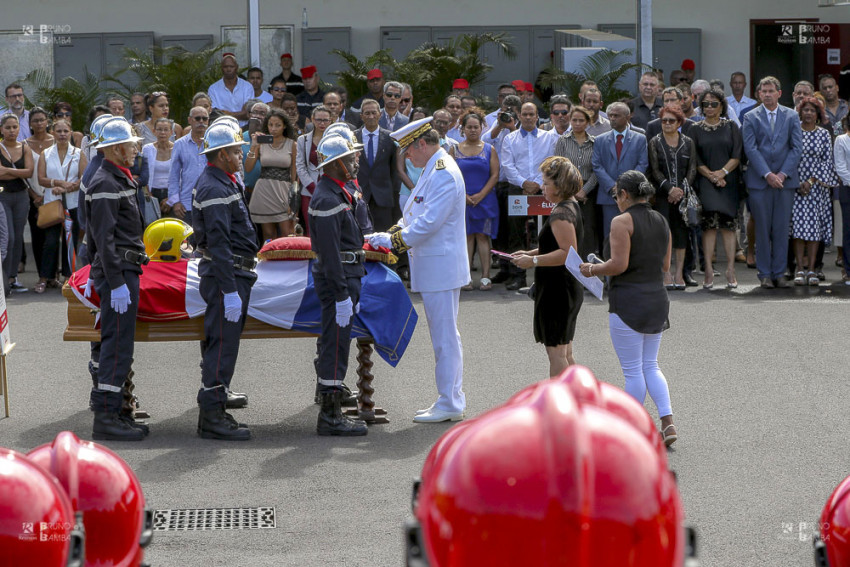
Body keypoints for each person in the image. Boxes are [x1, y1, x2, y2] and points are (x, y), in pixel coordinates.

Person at [369, 117, 469, 423]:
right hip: (436, 263)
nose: (407, 158)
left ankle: (449, 401)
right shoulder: (433, 168)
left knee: (444, 337)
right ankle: (451, 397)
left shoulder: (443, 173)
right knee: (446, 334)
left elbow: (428, 223)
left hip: (440, 264)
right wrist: (391, 231)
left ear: (421, 144)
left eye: (408, 151)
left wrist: (393, 240)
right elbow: (416, 212)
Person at [579, 170, 677, 446]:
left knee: (633, 370)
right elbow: (666, 266)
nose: (616, 200)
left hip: (629, 300)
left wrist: (593, 268)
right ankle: (667, 422)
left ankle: (629, 430)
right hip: (657, 298)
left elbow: (618, 265)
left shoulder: (622, 221)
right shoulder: (661, 220)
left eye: (616, 195)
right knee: (651, 365)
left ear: (623, 194)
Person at [192, 123, 258, 440]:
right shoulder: (215, 187)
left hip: (231, 271)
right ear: (221, 154)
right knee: (222, 344)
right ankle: (212, 416)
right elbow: (218, 242)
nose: (239, 154)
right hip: (226, 275)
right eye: (234, 151)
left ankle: (219, 395)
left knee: (223, 342)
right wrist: (230, 290)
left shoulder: (223, 180)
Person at [85, 117, 148, 441]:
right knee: (116, 345)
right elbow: (103, 240)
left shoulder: (117, 178)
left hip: (124, 269)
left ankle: (117, 412)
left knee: (121, 345)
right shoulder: (106, 183)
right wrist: (117, 282)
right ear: (114, 148)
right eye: (131, 144)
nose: (136, 149)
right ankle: (106, 416)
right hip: (118, 272)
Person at [308, 135, 368, 436]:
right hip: (338, 280)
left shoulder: (338, 192)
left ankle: (332, 402)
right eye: (350, 157)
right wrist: (343, 294)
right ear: (335, 163)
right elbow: (330, 254)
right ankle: (330, 417)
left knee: (338, 340)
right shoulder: (328, 198)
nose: (355, 161)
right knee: (335, 343)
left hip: (345, 275)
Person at [511, 156, 583, 375]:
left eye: (546, 184)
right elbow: (555, 245)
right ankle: (579, 400)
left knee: (557, 354)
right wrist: (529, 252)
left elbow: (566, 253)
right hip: (564, 287)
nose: (542, 187)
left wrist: (532, 261)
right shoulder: (570, 205)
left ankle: (560, 405)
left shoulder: (560, 214)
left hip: (557, 289)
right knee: (566, 353)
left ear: (559, 187)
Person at [742, 76, 803, 288]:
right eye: (763, 91)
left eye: (771, 91)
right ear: (758, 94)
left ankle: (779, 272)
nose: (767, 94)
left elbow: (797, 148)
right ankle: (765, 273)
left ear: (779, 93)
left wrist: (783, 174)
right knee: (762, 228)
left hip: (785, 181)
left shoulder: (791, 115)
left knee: (781, 227)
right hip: (760, 181)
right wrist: (767, 174)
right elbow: (751, 148)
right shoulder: (750, 117)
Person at [690, 88, 743, 289]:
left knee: (729, 227)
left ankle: (730, 270)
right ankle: (709, 272)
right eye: (705, 104)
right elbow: (695, 158)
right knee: (709, 227)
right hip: (705, 182)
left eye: (714, 103)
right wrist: (711, 176)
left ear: (722, 106)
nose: (709, 107)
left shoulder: (731, 127)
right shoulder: (695, 128)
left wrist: (722, 173)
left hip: (728, 182)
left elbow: (737, 155)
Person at [449, 109, 499, 291]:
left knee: (483, 237)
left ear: (481, 128)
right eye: (469, 127)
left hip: (485, 200)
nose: (472, 130)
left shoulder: (489, 149)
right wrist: (464, 197)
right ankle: (466, 277)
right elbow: (450, 176)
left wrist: (480, 195)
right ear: (462, 129)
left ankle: (486, 276)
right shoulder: (454, 149)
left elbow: (494, 176)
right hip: (462, 200)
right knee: (466, 238)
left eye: (476, 127)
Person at [647, 105, 697, 289]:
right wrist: (669, 189)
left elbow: (692, 168)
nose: (667, 124)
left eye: (671, 121)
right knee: (664, 234)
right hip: (662, 196)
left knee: (682, 234)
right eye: (664, 120)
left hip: (683, 196)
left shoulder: (688, 142)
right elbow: (654, 170)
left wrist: (681, 190)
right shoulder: (655, 142)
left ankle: (679, 274)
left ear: (679, 122)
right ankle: (666, 273)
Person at [36, 118, 86, 293]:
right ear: (53, 133)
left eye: (66, 131)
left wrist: (70, 186)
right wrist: (56, 183)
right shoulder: (46, 154)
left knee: (70, 241)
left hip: (73, 203)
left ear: (71, 132)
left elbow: (84, 178)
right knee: (50, 242)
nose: (63, 134)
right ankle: (45, 277)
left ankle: (68, 276)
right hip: (53, 203)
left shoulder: (79, 153)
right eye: (59, 131)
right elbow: (41, 178)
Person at [792, 96, 837, 286]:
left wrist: (811, 181)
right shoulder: (793, 132)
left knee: (814, 229)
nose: (808, 113)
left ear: (818, 114)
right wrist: (798, 181)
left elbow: (828, 161)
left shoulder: (823, 134)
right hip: (796, 186)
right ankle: (799, 269)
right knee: (797, 229)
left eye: (812, 110)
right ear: (800, 112)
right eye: (805, 110)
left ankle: (811, 269)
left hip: (817, 188)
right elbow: (789, 157)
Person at [591, 101, 649, 244]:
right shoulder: (600, 140)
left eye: (616, 116)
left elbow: (643, 164)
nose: (612, 119)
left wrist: (628, 186)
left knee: (634, 233)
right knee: (610, 233)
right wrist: (613, 187)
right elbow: (597, 165)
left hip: (633, 196)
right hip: (609, 195)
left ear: (627, 117)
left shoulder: (640, 138)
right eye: (610, 115)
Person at [245, 108, 298, 240]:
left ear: (284, 126)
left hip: (283, 192)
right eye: (270, 125)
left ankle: (289, 261)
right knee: (268, 236)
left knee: (288, 234)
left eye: (278, 125)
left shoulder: (292, 144)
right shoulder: (261, 143)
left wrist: (293, 200)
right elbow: (248, 168)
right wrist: (254, 146)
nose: (273, 129)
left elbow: (295, 176)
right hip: (264, 191)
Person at [555, 105, 598, 259]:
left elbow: (597, 170)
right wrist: (571, 191)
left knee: (588, 229)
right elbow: (558, 167)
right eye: (574, 120)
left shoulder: (595, 143)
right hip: (567, 189)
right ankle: (569, 265)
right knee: (568, 227)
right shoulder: (562, 140)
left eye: (581, 120)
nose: (577, 123)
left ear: (588, 122)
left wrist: (584, 190)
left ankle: (587, 267)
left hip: (589, 191)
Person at [0, 113, 34, 293]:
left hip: (21, 196)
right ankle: (3, 278)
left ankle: (13, 278)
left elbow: (29, 172)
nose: (12, 131)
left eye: (15, 127)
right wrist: (18, 171)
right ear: (1, 129)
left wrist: (6, 170)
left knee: (18, 237)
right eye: (8, 127)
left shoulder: (25, 148)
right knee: (8, 237)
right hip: (3, 196)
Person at [355, 99, 399, 232]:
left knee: (383, 237)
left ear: (380, 114)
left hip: (383, 197)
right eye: (367, 113)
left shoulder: (390, 138)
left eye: (374, 113)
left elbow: (394, 170)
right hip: (360, 195)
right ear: (361, 116)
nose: (371, 116)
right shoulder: (352, 137)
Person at [167, 106, 209, 226]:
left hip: (210, 200)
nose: (201, 121)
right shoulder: (179, 144)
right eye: (198, 118)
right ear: (190, 120)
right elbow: (173, 175)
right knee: (188, 242)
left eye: (204, 119)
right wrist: (175, 202)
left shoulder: (213, 143)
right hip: (187, 204)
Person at [295, 105, 332, 234]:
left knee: (327, 226)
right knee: (311, 227)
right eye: (318, 120)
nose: (322, 123)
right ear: (312, 119)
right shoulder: (303, 140)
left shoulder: (334, 140)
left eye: (325, 120)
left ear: (331, 121)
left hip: (329, 190)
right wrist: (311, 186)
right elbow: (300, 166)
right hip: (308, 191)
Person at [25, 106, 52, 278]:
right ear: (30, 124)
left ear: (47, 122)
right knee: (37, 237)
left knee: (53, 238)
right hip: (33, 196)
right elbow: (24, 176)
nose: (39, 123)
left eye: (42, 119)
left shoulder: (56, 141)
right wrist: (34, 196)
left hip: (54, 195)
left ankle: (53, 275)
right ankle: (42, 276)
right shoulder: (25, 145)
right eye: (35, 120)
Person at [208, 53, 254, 127]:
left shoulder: (247, 87)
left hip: (244, 129)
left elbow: (248, 114)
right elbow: (214, 115)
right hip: (222, 128)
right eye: (225, 67)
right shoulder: (213, 89)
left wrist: (227, 114)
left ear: (237, 67)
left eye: (231, 66)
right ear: (221, 68)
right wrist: (239, 114)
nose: (228, 69)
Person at [141, 117, 174, 211]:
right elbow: (143, 173)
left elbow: (181, 175)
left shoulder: (177, 148)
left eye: (166, 130)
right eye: (159, 129)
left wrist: (171, 199)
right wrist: (149, 195)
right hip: (152, 192)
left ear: (171, 132)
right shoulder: (147, 149)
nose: (162, 133)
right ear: (154, 131)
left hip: (172, 194)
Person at [833, 114, 850, 284]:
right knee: (849, 231)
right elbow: (840, 167)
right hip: (847, 188)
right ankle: (849, 271)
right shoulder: (841, 140)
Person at [819, 74, 848, 138]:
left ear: (837, 88)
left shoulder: (847, 107)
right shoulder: (819, 111)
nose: (828, 90)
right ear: (821, 92)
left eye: (830, 87)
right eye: (825, 88)